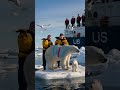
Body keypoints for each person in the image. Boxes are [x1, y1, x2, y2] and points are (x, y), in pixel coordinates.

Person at [16, 21, 35, 90]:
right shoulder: (27, 35)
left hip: (24, 59)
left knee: (24, 79)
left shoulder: (27, 34)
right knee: (24, 79)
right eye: (33, 26)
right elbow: (25, 47)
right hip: (25, 59)